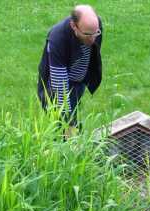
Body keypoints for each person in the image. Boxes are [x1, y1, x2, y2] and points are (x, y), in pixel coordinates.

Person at [37, 5, 103, 133]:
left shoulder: (94, 27)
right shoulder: (57, 39)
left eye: (96, 33)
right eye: (88, 34)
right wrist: (69, 123)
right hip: (55, 85)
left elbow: (93, 54)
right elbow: (60, 89)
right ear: (74, 26)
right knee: (61, 127)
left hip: (78, 81)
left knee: (74, 114)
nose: (93, 39)